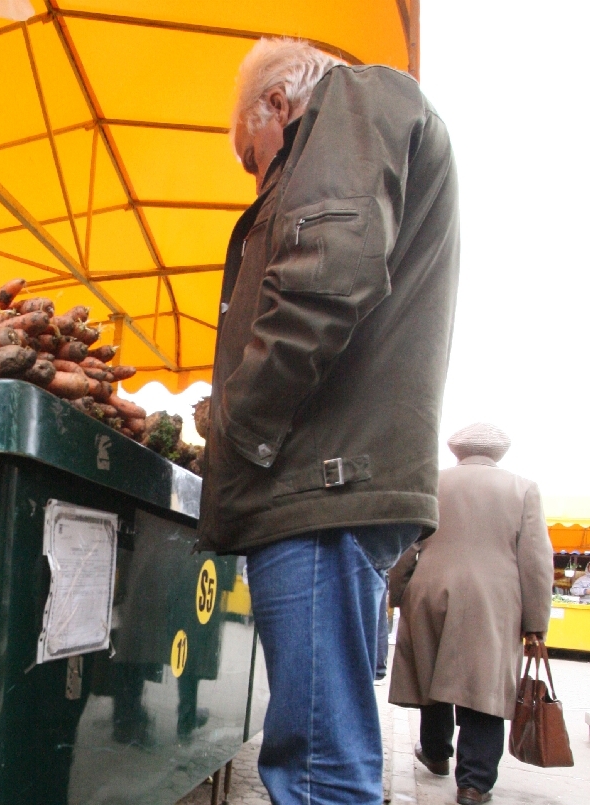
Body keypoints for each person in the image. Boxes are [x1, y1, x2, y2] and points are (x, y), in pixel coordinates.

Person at [196, 38, 460, 805]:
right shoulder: (377, 118)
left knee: (317, 771)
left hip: (317, 484)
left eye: (253, 158)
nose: (258, 178)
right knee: (326, 758)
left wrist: (234, 428)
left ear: (277, 105)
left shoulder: (351, 101)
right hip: (333, 481)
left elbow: (323, 277)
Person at [389, 423, 554, 805]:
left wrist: (397, 593)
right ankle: (473, 783)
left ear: (457, 450)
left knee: (431, 672)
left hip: (430, 589)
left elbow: (406, 543)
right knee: (483, 685)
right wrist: (535, 621)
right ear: (500, 452)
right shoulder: (523, 488)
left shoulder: (432, 482)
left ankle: (435, 752)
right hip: (493, 598)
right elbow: (535, 559)